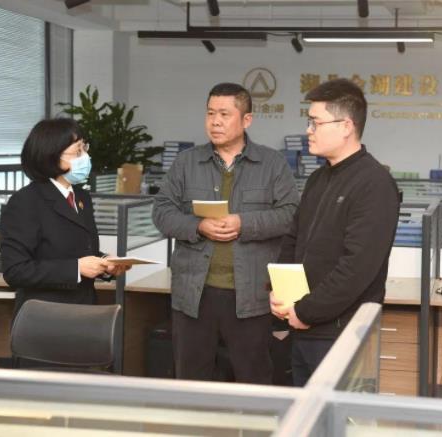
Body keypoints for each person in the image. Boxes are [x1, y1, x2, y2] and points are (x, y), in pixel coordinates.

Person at [152, 83, 299, 384]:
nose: (215, 122)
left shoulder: (272, 164)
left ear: (247, 120)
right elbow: (162, 212)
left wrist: (244, 223)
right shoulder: (186, 163)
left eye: (224, 114)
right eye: (210, 113)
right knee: (192, 381)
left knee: (253, 382)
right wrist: (198, 226)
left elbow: (290, 215)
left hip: (251, 296)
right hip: (194, 295)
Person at [270, 79, 400, 386]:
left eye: (316, 122)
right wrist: (280, 292)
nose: (308, 130)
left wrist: (306, 311)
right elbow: (293, 240)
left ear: (346, 126)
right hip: (302, 326)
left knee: (339, 412)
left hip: (341, 333)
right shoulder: (318, 179)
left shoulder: (374, 184)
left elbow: (356, 267)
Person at [0, 118, 129, 315]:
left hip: (83, 311)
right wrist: (76, 269)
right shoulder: (26, 201)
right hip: (45, 316)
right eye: (78, 151)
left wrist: (105, 264)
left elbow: (80, 250)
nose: (85, 156)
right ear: (51, 156)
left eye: (85, 148)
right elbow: (15, 270)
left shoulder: (81, 197)